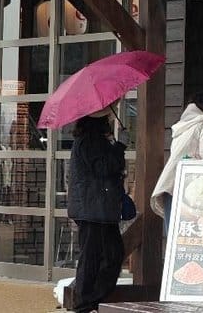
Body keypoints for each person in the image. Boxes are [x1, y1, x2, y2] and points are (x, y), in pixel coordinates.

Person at [68, 110, 127, 313]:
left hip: (97, 209)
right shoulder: (91, 141)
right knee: (97, 257)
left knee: (108, 255)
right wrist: (119, 147)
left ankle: (90, 300)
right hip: (94, 209)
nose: (110, 121)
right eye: (107, 118)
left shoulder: (90, 140)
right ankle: (85, 302)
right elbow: (103, 168)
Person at [151, 93, 203, 235]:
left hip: (170, 189)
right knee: (196, 243)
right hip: (192, 195)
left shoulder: (182, 129)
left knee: (177, 243)